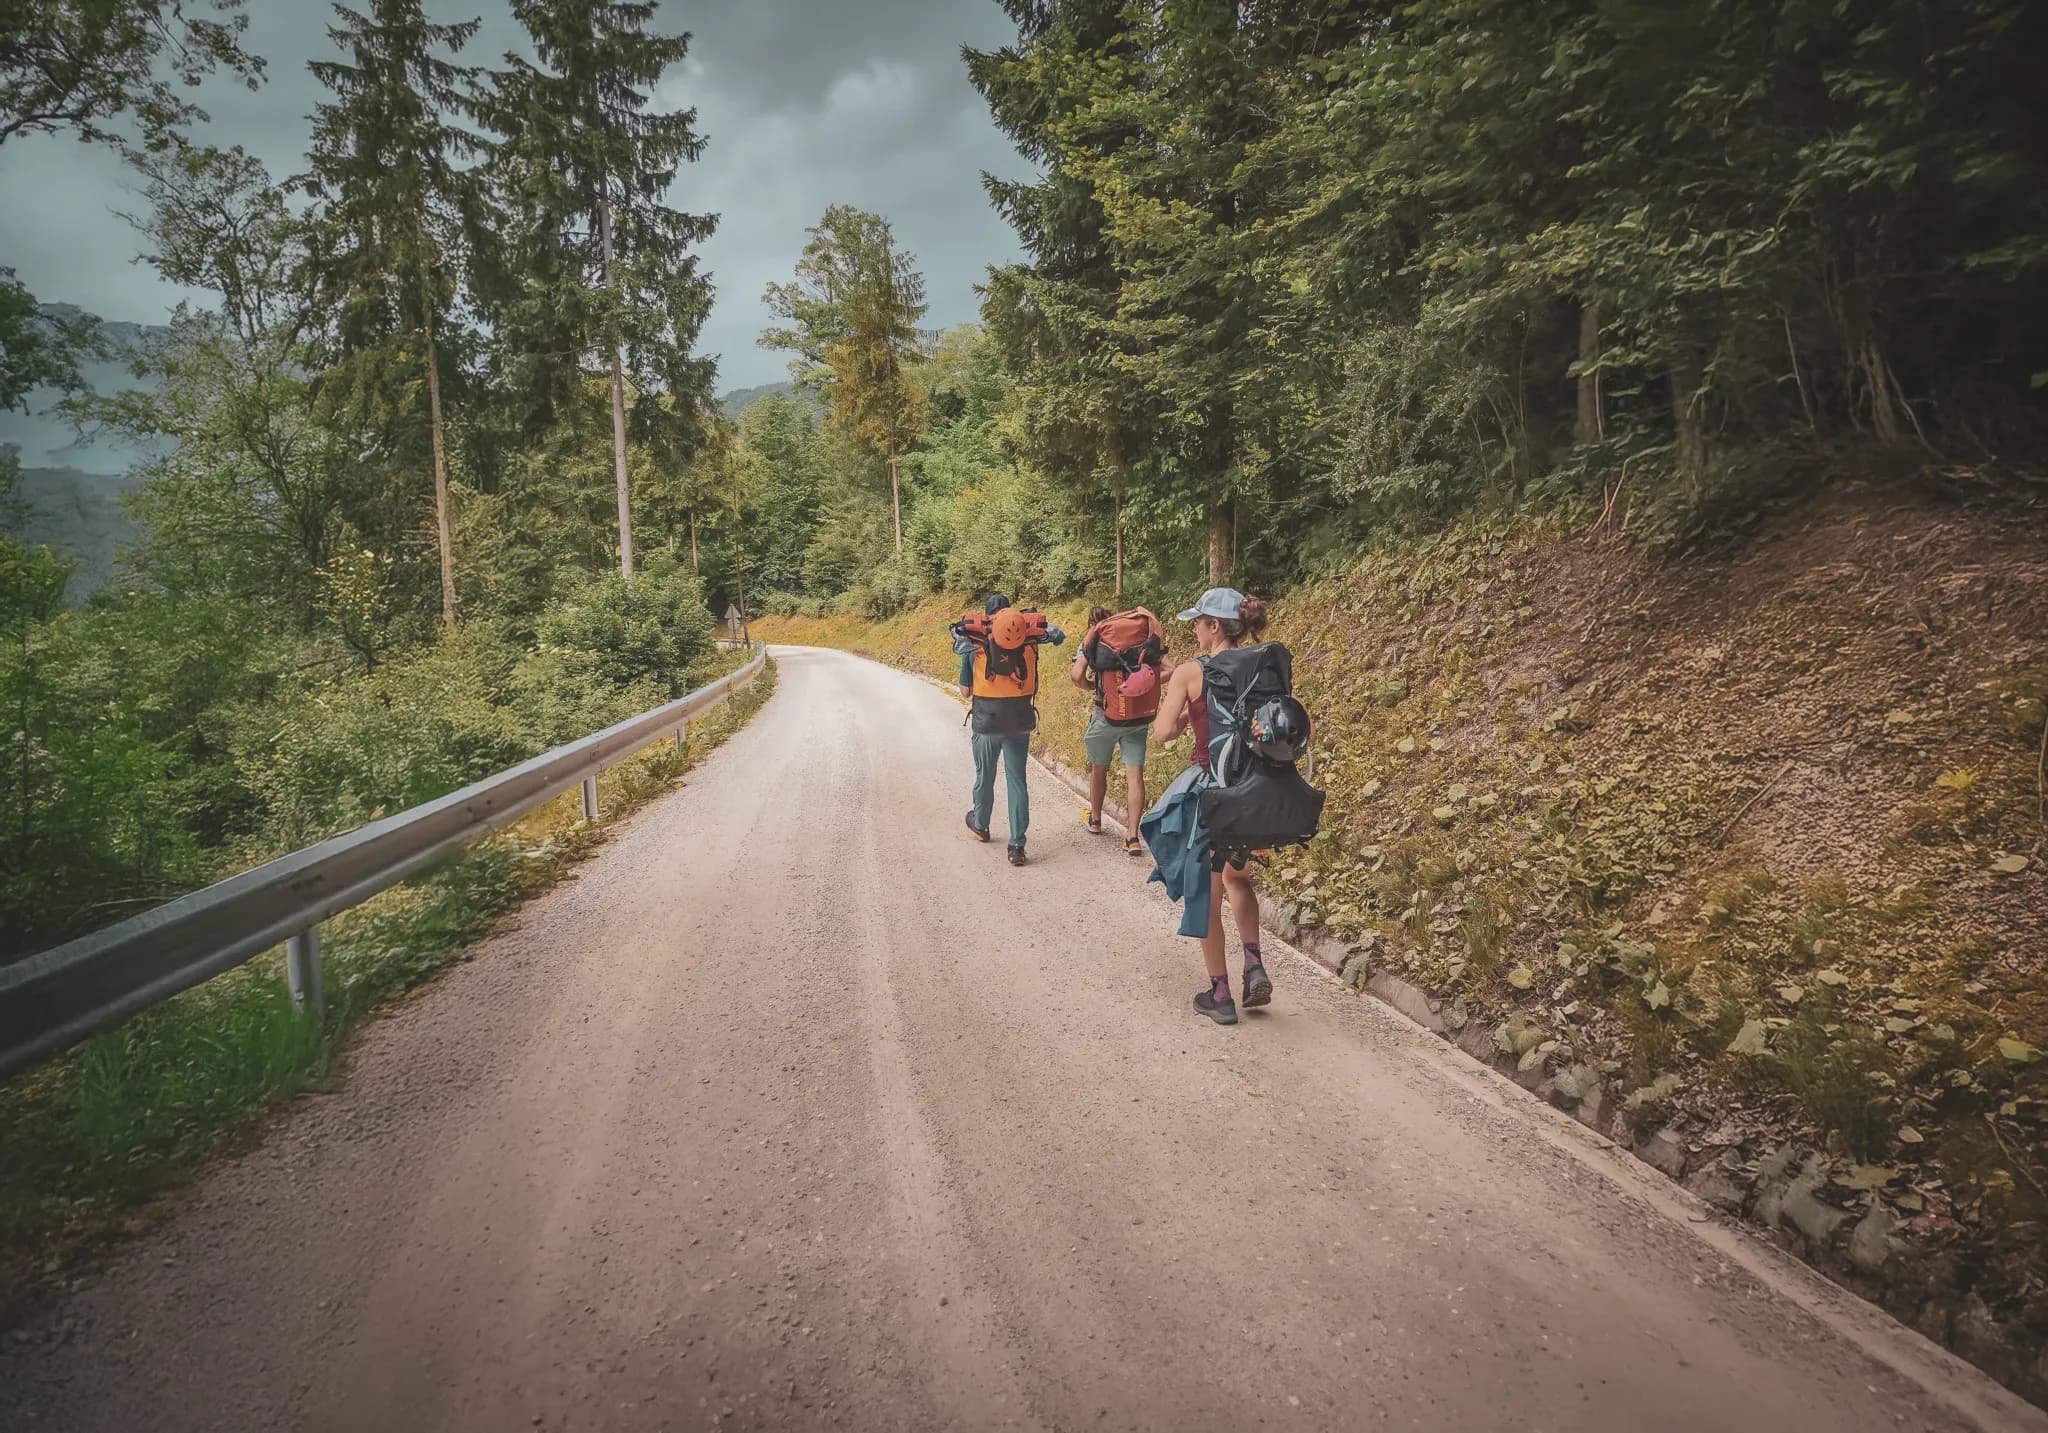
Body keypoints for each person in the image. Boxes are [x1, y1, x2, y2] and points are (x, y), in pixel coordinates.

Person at [1144, 587, 1273, 1025]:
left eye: (1198, 622)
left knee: (1208, 890)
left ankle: (1220, 995)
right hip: (1257, 789)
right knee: (1239, 876)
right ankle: (1253, 962)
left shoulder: (1189, 672)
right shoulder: (1262, 664)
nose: (1196, 630)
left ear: (1214, 626)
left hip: (1212, 790)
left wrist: (1182, 720)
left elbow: (1161, 734)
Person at [954, 594, 1065, 866]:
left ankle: (980, 824)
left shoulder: (975, 642)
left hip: (987, 720)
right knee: (1017, 780)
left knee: (985, 775)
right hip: (1019, 718)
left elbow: (966, 691)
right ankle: (1016, 845)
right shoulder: (1028, 641)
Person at [1069, 604, 1158, 857]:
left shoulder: (1092, 642)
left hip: (1104, 715)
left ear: (1092, 626)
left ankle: (1095, 820)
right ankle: (1131, 837)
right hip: (1137, 718)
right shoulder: (1137, 643)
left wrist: (1092, 687)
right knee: (1135, 775)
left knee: (1099, 769)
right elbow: (1169, 670)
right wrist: (1139, 686)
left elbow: (1076, 676)